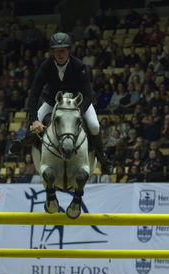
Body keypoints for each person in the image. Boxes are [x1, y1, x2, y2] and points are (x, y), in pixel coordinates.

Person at [10, 32, 107, 171]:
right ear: (52, 52)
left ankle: (103, 158)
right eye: (57, 51)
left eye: (63, 51)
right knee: (33, 126)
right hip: (52, 102)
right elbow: (34, 95)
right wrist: (35, 120)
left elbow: (88, 94)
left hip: (77, 103)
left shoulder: (79, 66)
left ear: (68, 51)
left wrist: (79, 110)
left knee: (94, 126)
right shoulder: (45, 66)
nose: (60, 54)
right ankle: (21, 144)